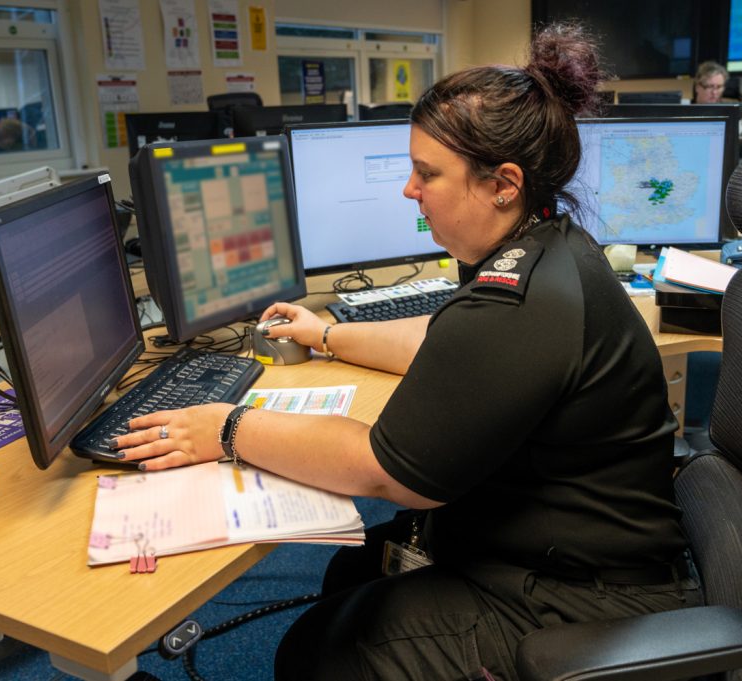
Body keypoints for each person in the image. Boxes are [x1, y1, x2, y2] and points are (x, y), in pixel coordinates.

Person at [113, 21, 701, 680]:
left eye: (426, 173)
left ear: (503, 183)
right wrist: (327, 334)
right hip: (565, 545)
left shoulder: (520, 301)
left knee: (318, 654)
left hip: (584, 599)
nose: (409, 191)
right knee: (353, 568)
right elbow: (441, 337)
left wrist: (226, 427)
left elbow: (380, 471)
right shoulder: (547, 245)